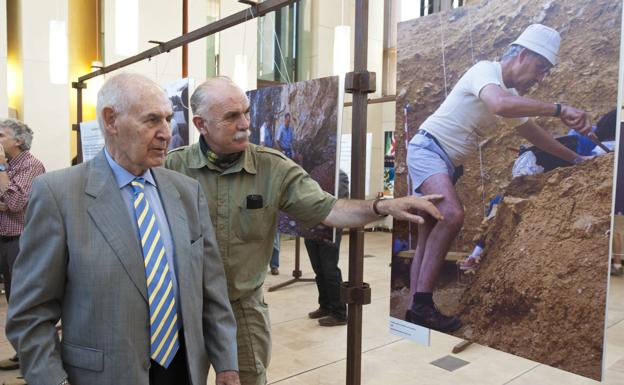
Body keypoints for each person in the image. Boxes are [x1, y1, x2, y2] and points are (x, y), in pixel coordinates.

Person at [165, 76, 444, 385]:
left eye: (245, 111)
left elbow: (329, 209)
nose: (245, 122)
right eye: (231, 116)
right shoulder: (171, 169)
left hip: (241, 308)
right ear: (201, 124)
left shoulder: (273, 167)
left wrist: (380, 207)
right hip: (184, 309)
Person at [6, 73, 240, 385]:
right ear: (111, 120)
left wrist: (226, 364)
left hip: (184, 371)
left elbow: (212, 291)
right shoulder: (59, 195)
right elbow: (30, 314)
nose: (167, 133)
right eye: (152, 120)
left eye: (169, 119)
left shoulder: (186, 192)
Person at [406, 24, 593, 333]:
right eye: (539, 68)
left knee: (429, 233)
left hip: (444, 161)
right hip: (428, 149)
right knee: (451, 214)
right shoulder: (485, 71)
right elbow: (499, 104)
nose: (540, 77)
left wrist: (576, 159)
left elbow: (535, 134)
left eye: (545, 72)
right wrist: (559, 109)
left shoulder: (512, 95)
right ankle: (424, 305)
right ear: (522, 55)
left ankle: (415, 308)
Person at [0, 118, 45, 373]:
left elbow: (15, 203)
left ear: (18, 141)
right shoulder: (7, 167)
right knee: (12, 298)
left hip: (22, 241)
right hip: (5, 238)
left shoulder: (31, 165)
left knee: (25, 300)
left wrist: (0, 169)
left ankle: (32, 357)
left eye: (1, 136)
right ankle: (21, 353)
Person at [305, 169, 349, 327]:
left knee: (330, 271)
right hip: (310, 227)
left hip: (329, 229)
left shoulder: (340, 175)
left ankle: (339, 313)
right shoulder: (308, 172)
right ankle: (325, 306)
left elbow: (341, 203)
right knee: (319, 269)